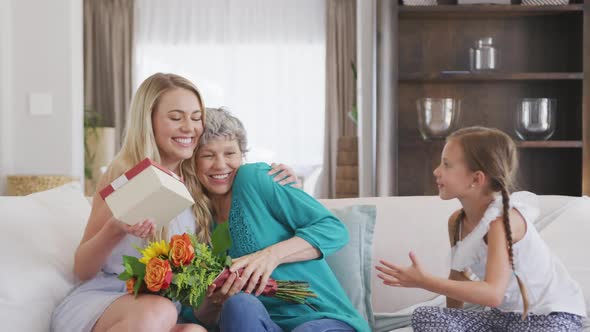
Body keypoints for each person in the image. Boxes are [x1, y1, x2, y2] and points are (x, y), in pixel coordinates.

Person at [51, 73, 299, 332]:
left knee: (195, 331)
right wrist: (114, 228)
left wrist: (283, 182)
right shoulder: (123, 175)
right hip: (106, 302)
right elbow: (82, 269)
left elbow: (240, 189)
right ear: (149, 121)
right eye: (175, 117)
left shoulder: (197, 180)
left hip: (162, 311)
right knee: (161, 310)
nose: (189, 128)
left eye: (195, 117)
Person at [375, 126, 586, 332]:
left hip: (549, 318)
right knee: (426, 315)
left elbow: (493, 294)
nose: (436, 171)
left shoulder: (502, 221)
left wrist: (424, 281)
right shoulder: (457, 222)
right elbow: (457, 279)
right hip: (503, 318)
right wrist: (451, 321)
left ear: (476, 179)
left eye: (447, 165)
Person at [181, 107, 370, 332]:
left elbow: (333, 229)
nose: (221, 165)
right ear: (193, 162)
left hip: (320, 318)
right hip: (259, 325)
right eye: (208, 155)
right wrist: (214, 302)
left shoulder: (254, 179)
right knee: (238, 304)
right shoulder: (189, 221)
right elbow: (196, 318)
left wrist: (271, 255)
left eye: (230, 153)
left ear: (242, 155)